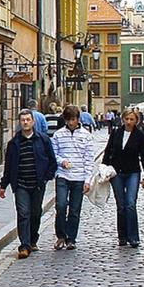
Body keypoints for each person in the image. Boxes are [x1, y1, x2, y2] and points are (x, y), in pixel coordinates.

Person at [0, 109, 58, 259]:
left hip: (38, 184)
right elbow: (9, 166)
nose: (25, 122)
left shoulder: (43, 140)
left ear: (33, 122)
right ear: (20, 123)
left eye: (28, 120)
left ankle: (32, 240)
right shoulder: (14, 143)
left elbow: (52, 161)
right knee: (23, 213)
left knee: (35, 213)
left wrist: (47, 177)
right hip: (20, 185)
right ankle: (24, 246)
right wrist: (3, 185)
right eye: (23, 120)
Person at [102, 107, 144, 247]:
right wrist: (103, 167)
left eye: (132, 119)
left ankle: (133, 237)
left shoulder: (140, 135)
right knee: (121, 205)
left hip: (133, 172)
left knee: (130, 203)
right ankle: (122, 236)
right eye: (127, 119)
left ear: (136, 121)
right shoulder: (117, 133)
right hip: (116, 172)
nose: (129, 122)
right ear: (123, 119)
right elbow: (108, 150)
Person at [51, 105, 94, 250]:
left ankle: (71, 238)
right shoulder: (58, 135)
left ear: (78, 119)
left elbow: (89, 159)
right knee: (61, 205)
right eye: (68, 120)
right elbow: (53, 154)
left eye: (73, 120)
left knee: (75, 209)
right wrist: (61, 161)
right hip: (63, 175)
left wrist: (87, 180)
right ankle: (60, 236)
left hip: (79, 176)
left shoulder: (86, 135)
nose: (71, 123)